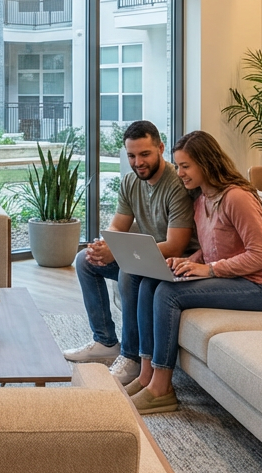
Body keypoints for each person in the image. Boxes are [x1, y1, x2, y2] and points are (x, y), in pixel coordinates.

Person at [127, 131, 262, 414]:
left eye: (186, 166)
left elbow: (261, 255)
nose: (180, 173)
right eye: (178, 166)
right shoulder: (202, 200)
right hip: (232, 278)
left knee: (167, 294)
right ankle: (145, 374)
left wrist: (209, 268)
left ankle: (161, 389)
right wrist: (186, 261)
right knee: (151, 280)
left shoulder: (237, 198)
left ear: (207, 163)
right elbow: (213, 247)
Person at [62, 120, 197, 386]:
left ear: (160, 148)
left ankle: (131, 358)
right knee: (85, 261)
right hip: (144, 257)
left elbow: (175, 245)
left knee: (128, 270)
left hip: (174, 263)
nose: (138, 162)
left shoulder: (176, 185)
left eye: (145, 154)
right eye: (132, 155)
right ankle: (105, 341)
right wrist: (104, 246)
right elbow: (118, 226)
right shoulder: (130, 181)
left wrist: (120, 254)